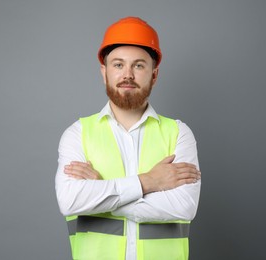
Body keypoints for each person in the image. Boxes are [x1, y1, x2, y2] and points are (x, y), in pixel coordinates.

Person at [55, 16, 201, 260]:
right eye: (118, 65)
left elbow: (184, 206)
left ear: (154, 74)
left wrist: (101, 192)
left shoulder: (178, 133)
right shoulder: (77, 134)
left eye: (139, 65)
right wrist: (147, 182)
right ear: (105, 72)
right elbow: (70, 201)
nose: (128, 75)